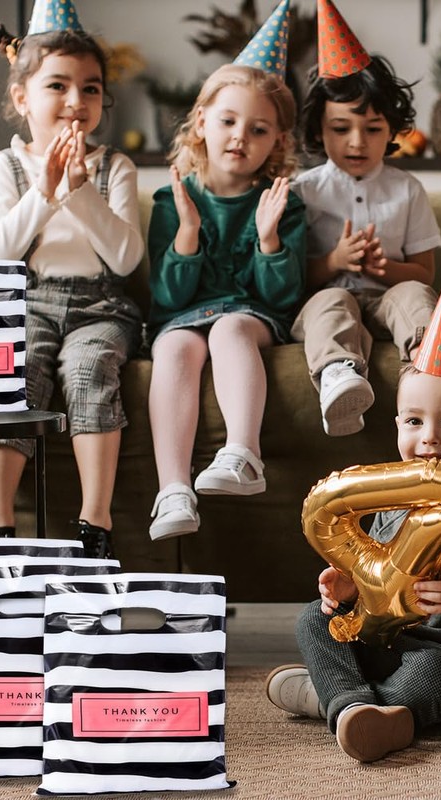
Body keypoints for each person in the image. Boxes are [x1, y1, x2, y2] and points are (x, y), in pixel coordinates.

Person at [265, 264, 441, 763]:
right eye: (414, 421)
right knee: (315, 619)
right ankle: (357, 708)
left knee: (429, 673)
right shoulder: (391, 507)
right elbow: (380, 594)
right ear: (397, 424)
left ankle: (332, 699)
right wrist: (351, 591)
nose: (430, 438)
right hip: (396, 645)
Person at [0, 0, 144, 558]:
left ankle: (94, 524)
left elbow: (125, 259)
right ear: (22, 98)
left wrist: (79, 190)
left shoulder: (115, 167)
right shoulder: (7, 167)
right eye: (58, 86)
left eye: (90, 88)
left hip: (101, 308)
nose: (76, 101)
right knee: (15, 366)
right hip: (28, 301)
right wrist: (45, 190)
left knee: (89, 367)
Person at [145, 36, 306, 541]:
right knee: (174, 345)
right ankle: (173, 490)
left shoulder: (283, 202)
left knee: (229, 329)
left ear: (277, 141)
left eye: (258, 129)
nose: (240, 136)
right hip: (183, 317)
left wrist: (268, 237)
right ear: (201, 123)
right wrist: (189, 232)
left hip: (250, 315)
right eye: (228, 121)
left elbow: (281, 298)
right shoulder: (171, 200)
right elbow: (168, 298)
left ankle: (243, 454)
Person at [290, 0, 441, 437]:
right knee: (332, 302)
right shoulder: (304, 191)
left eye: (373, 129)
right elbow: (290, 279)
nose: (357, 142)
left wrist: (384, 268)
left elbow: (424, 273)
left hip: (388, 297)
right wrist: (334, 261)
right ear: (318, 130)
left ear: (392, 131)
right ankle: (339, 377)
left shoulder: (407, 189)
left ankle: (431, 370)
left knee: (414, 293)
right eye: (341, 129)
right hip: (328, 298)